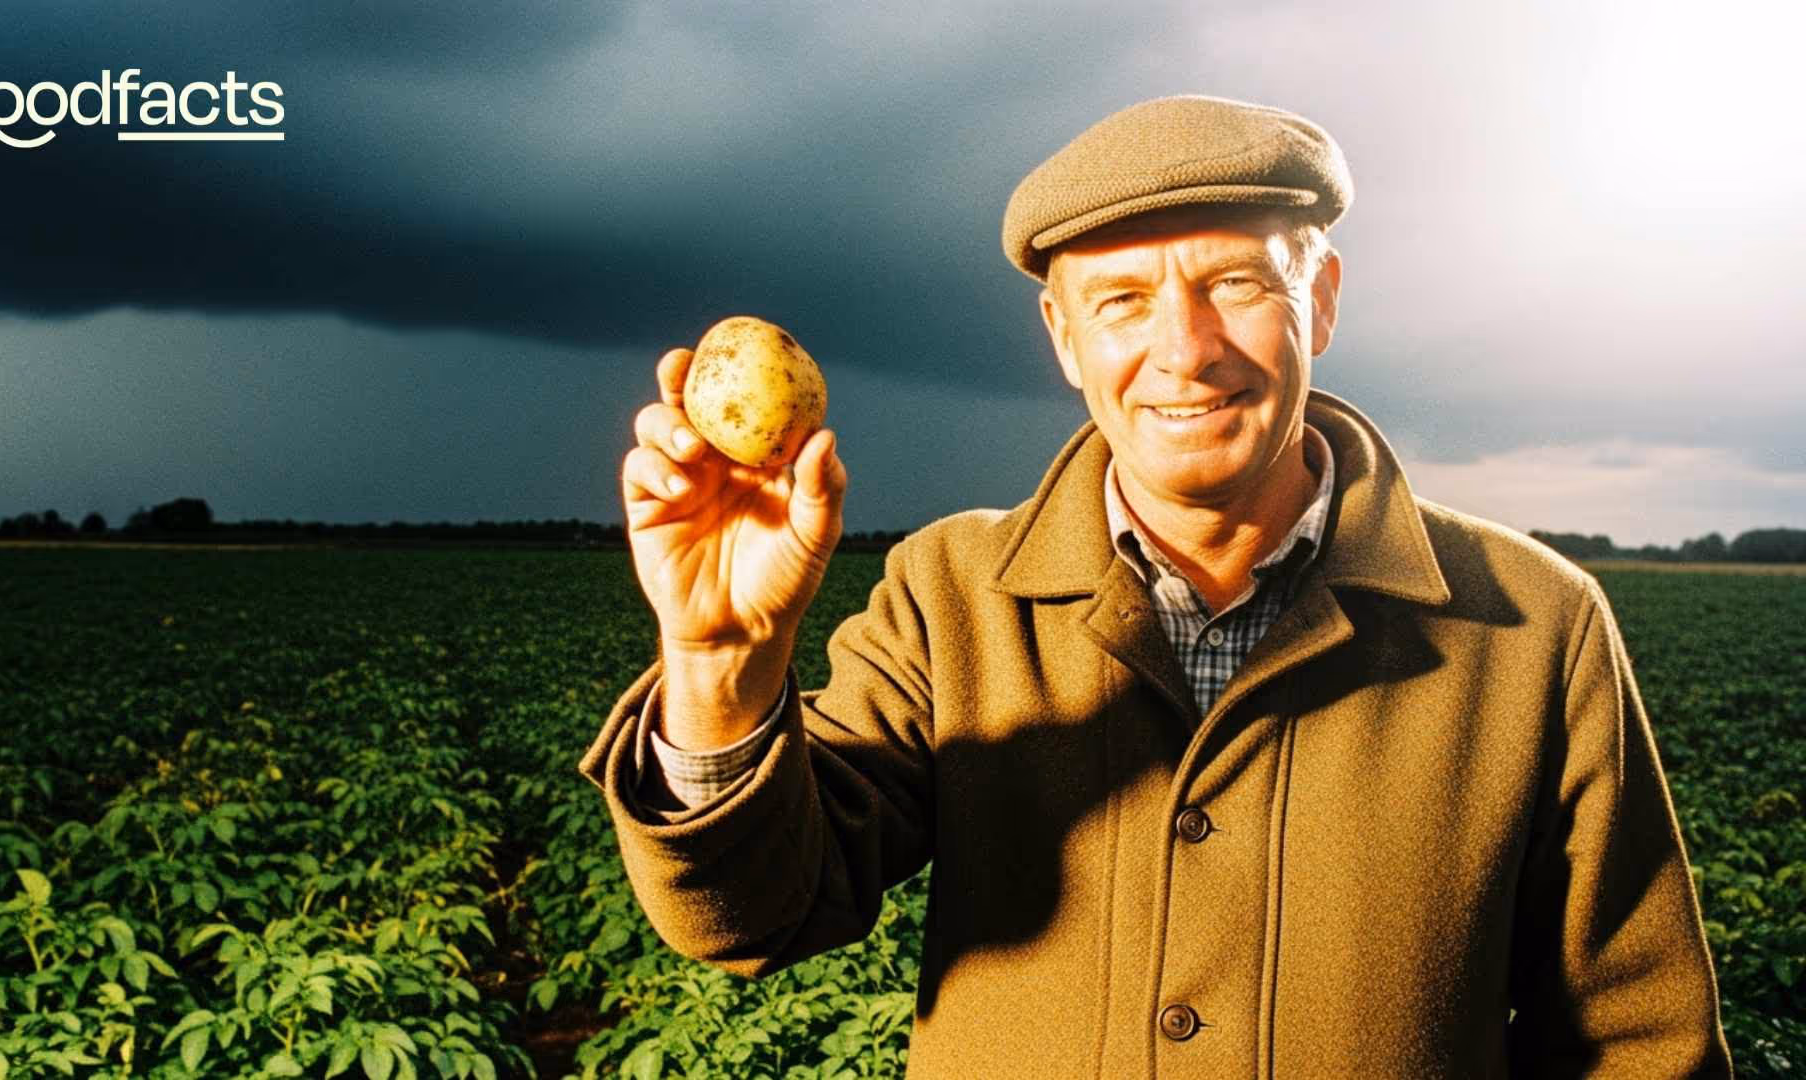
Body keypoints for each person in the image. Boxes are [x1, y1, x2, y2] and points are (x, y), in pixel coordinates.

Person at [581, 94, 1733, 1077]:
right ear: (1063, 338)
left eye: (1235, 283)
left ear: (1320, 299)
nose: (1185, 350)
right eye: (1123, 301)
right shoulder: (950, 593)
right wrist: (719, 665)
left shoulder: (1534, 622)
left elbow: (1640, 1040)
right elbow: (758, 912)